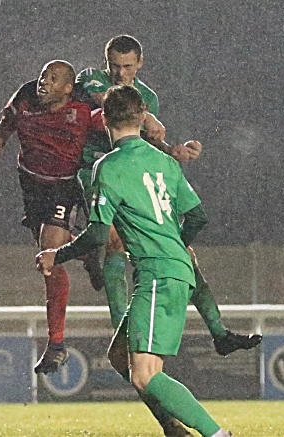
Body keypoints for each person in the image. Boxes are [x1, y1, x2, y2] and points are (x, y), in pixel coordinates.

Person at [37, 85, 231, 437]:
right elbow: (198, 217)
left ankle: (218, 435)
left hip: (158, 275)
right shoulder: (165, 161)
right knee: (119, 357)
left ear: (105, 120)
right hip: (174, 270)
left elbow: (98, 235)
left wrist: (56, 254)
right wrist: (175, 247)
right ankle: (176, 430)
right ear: (143, 117)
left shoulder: (107, 167)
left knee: (144, 374)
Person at [76, 34, 261, 359]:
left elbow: (142, 141)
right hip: (97, 172)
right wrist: (147, 117)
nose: (120, 73)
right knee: (115, 243)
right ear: (106, 62)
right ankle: (124, 333)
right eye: (115, 66)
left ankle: (220, 333)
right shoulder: (91, 77)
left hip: (135, 176)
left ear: (140, 63)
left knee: (183, 254)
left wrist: (171, 150)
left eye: (128, 66)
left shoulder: (149, 97)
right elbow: (111, 100)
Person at [0, 60, 102, 375]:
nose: (44, 81)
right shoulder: (25, 98)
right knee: (50, 256)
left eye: (54, 78)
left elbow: (119, 125)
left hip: (65, 187)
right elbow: (1, 135)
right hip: (32, 186)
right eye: (44, 75)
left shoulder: (84, 105)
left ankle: (56, 344)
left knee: (49, 257)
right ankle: (87, 252)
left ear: (68, 88)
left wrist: (165, 147)